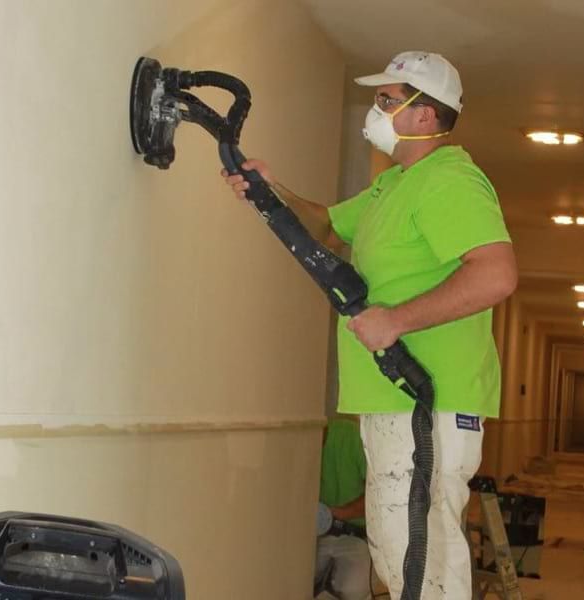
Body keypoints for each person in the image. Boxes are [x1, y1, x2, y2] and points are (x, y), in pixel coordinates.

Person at [223, 51, 517, 599]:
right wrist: (268, 188)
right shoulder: (393, 187)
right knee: (401, 545)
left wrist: (397, 320)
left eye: (387, 99)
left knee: (418, 549)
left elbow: (496, 275)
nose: (375, 109)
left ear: (426, 116)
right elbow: (329, 231)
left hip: (428, 397)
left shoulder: (449, 181)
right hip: (395, 398)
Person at [314, 416, 371, 600]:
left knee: (354, 591)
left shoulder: (351, 437)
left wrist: (336, 514)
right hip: (311, 540)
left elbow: (375, 495)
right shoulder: (293, 447)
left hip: (355, 535)